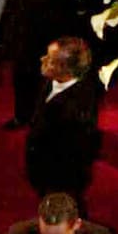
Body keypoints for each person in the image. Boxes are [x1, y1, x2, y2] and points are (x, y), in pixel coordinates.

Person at [24, 37, 98, 206]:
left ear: (65, 69)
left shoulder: (76, 106)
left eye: (50, 60)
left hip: (60, 176)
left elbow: (77, 151)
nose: (42, 60)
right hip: (44, 168)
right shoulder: (51, 80)